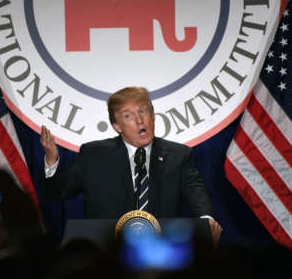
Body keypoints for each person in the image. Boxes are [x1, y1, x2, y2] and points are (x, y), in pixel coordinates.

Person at [40, 87, 223, 243]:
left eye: (143, 111)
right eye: (128, 115)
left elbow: (196, 192)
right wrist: (51, 159)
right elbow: (57, 191)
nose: (139, 120)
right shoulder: (93, 154)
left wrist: (206, 221)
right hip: (108, 254)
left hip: (163, 250)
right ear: (117, 126)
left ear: (152, 115)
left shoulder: (179, 155)